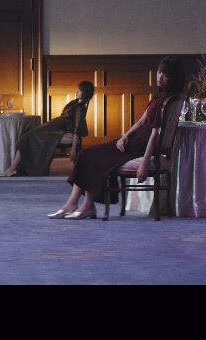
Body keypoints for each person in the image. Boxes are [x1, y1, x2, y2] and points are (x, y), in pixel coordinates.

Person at [49, 56, 185, 220]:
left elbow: (155, 135)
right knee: (88, 154)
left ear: (174, 78)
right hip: (134, 139)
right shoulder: (159, 96)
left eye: (166, 75)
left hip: (140, 145)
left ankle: (82, 205)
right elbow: (141, 122)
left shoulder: (167, 100)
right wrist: (125, 136)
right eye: (159, 72)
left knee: (87, 155)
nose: (160, 77)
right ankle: (80, 205)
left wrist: (144, 163)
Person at [0, 80, 95, 177]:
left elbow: (77, 128)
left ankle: (12, 169)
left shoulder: (80, 108)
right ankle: (13, 169)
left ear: (85, 93)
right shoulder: (74, 103)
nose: (77, 92)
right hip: (52, 125)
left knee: (26, 138)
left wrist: (73, 149)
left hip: (57, 129)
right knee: (25, 137)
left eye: (80, 90)